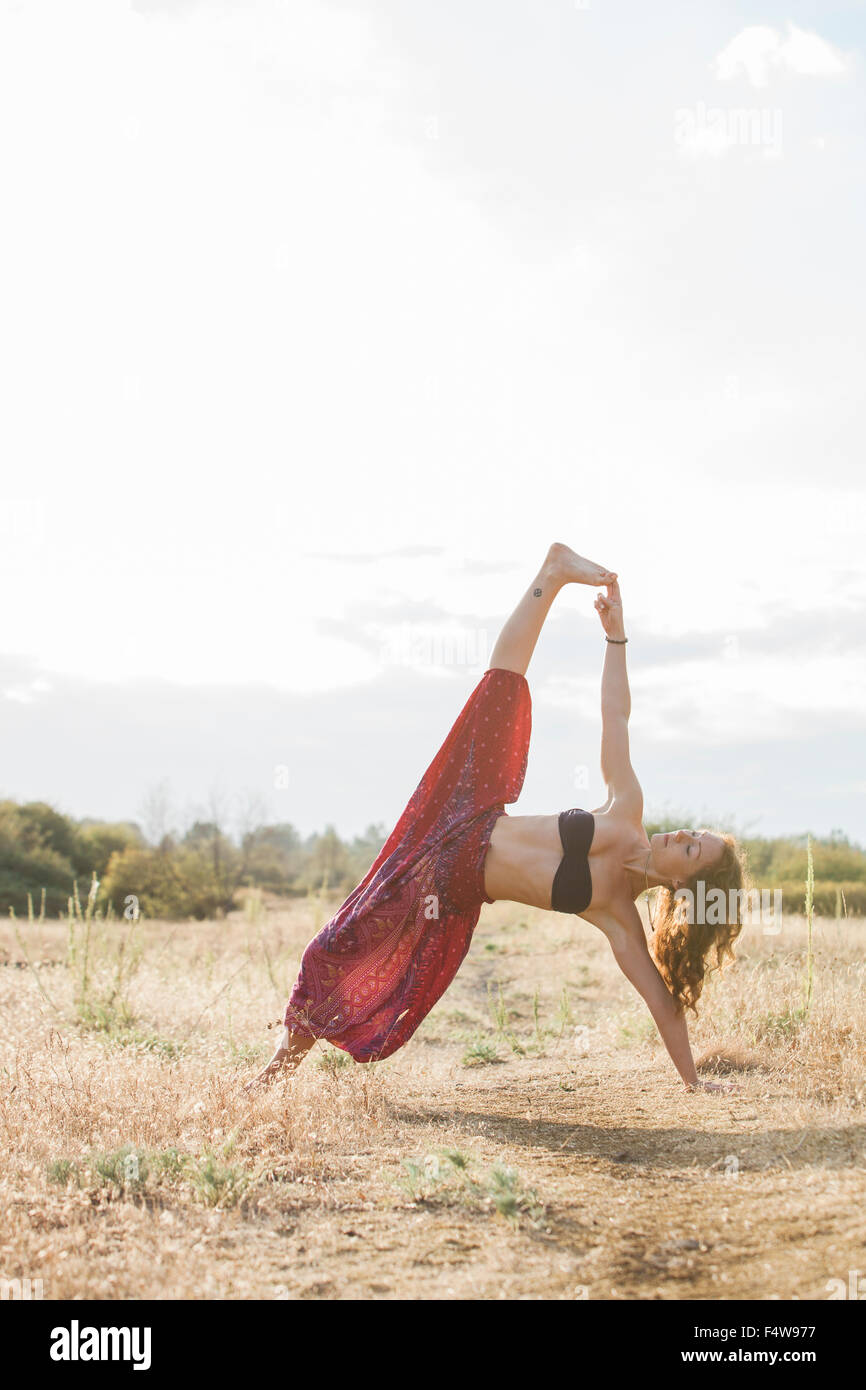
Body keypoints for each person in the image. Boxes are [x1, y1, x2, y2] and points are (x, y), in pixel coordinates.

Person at [246, 542, 745, 1094]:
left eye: (693, 849)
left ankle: (277, 1073)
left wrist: (696, 1083)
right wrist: (615, 636)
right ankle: (552, 573)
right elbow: (616, 714)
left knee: (340, 949)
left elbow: (661, 1004)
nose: (682, 835)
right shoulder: (626, 809)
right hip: (464, 818)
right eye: (694, 832)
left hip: (449, 893)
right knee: (500, 693)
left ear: (682, 884)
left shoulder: (616, 915)